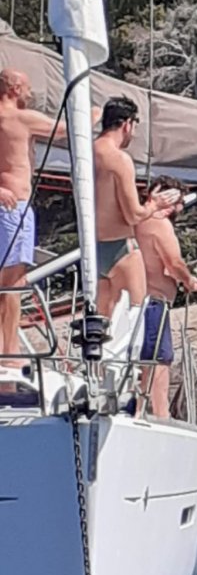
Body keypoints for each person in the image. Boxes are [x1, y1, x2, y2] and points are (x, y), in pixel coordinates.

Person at [0, 68, 94, 364]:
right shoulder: (19, 118)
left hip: (11, 205)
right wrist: (93, 111)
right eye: (27, 88)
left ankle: (6, 349)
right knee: (13, 282)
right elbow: (66, 130)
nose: (30, 94)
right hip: (13, 207)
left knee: (8, 281)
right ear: (14, 88)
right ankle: (9, 352)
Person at [93, 96, 177, 317]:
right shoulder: (118, 159)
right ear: (127, 123)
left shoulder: (86, 153)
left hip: (93, 248)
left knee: (102, 326)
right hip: (120, 248)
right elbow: (133, 215)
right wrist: (155, 204)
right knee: (133, 320)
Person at [134, 178, 197, 417]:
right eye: (179, 201)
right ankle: (162, 415)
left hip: (137, 302)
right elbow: (173, 263)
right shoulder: (159, 224)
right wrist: (188, 280)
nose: (181, 208)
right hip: (154, 302)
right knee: (159, 359)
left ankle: (140, 410)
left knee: (146, 361)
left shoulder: (138, 221)